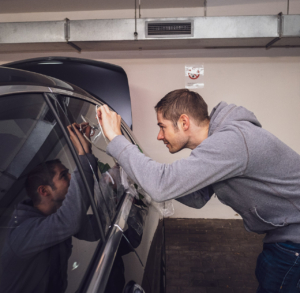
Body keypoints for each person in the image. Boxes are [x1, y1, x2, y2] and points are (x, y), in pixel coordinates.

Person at [97, 88, 300, 293]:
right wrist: (142, 177)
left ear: (184, 122)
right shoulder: (220, 142)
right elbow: (198, 198)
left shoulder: (230, 142)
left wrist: (116, 138)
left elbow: (162, 185)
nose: (159, 136)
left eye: (162, 127)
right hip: (285, 234)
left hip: (294, 238)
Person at [0, 123, 101, 293]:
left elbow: (94, 230)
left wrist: (112, 188)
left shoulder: (53, 217)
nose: (71, 177)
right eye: (64, 176)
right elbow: (71, 221)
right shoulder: (23, 232)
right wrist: (83, 155)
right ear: (44, 191)